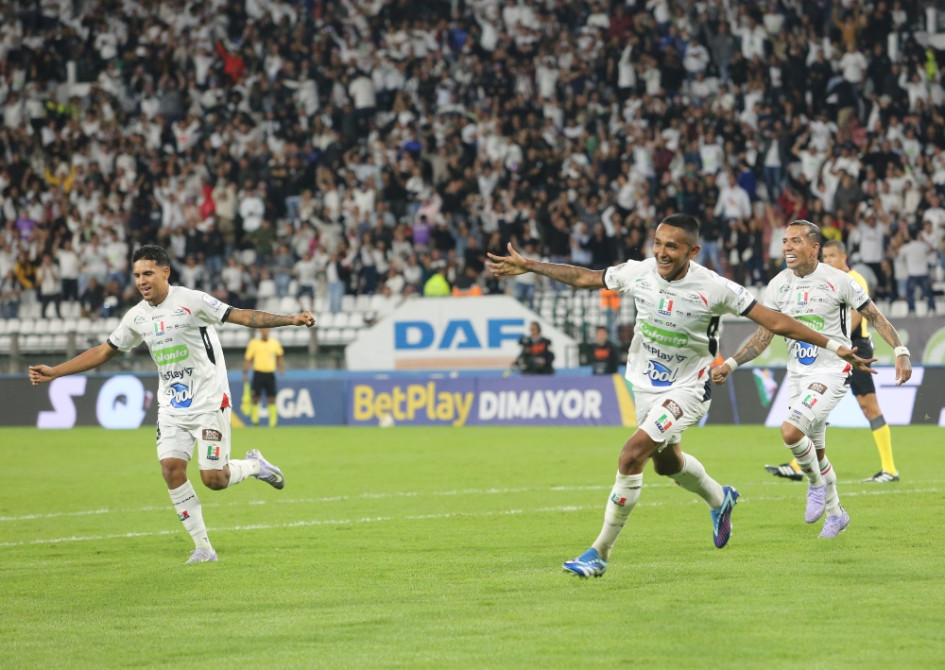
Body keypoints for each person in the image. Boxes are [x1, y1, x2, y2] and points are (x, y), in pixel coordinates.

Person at [486, 214, 874, 578]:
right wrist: (533, 265)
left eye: (672, 246)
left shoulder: (715, 287)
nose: (661, 252)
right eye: (657, 243)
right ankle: (720, 499)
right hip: (644, 383)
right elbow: (587, 277)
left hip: (689, 387)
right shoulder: (639, 272)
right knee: (666, 464)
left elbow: (774, 321)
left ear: (692, 252)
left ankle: (599, 554)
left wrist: (834, 345)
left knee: (631, 454)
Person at [28, 245, 316, 564]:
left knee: (214, 480)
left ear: (166, 273)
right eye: (137, 275)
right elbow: (104, 351)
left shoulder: (191, 301)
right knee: (171, 469)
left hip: (209, 401)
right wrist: (55, 372)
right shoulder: (137, 316)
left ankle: (255, 466)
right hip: (172, 405)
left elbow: (242, 315)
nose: (141, 281)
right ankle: (203, 547)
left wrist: (291, 320)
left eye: (148, 273)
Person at [712, 221, 911, 540]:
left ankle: (816, 485)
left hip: (833, 370)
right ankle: (836, 514)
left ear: (814, 247)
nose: (787, 247)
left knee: (791, 431)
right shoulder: (777, 285)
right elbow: (764, 335)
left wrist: (900, 350)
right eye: (785, 241)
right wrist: (732, 363)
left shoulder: (840, 280)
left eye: (796, 241)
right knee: (815, 452)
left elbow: (874, 315)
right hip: (798, 374)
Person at [765, 239, 901, 483]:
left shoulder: (854, 280)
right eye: (824, 257)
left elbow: (856, 319)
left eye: (831, 256)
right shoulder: (825, 282)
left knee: (869, 408)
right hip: (832, 349)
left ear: (843, 257)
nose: (827, 261)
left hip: (853, 348)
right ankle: (799, 465)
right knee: (816, 406)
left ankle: (890, 469)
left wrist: (827, 342)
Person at [242, 328, 285, 427]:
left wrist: (281, 367)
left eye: (266, 330)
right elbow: (248, 359)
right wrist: (245, 372)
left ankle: (273, 423)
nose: (265, 332)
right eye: (263, 330)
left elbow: (280, 356)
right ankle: (255, 421)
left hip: (270, 373)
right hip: (258, 373)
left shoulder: (275, 343)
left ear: (269, 331)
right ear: (260, 331)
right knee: (255, 398)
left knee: (272, 398)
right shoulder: (254, 343)